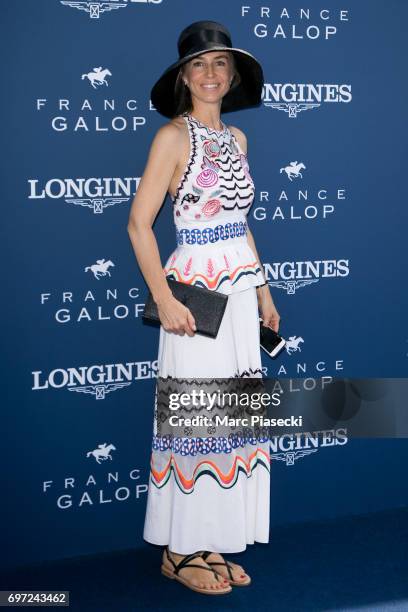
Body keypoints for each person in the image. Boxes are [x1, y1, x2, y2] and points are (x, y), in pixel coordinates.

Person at [127, 20, 280, 595]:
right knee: (196, 420)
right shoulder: (172, 137)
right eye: (200, 65)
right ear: (184, 76)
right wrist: (163, 299)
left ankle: (210, 537)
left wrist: (263, 290)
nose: (211, 74)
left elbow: (240, 226)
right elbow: (139, 225)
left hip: (239, 294)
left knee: (230, 419)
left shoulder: (238, 141)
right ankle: (180, 547)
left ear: (233, 75)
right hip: (195, 296)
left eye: (221, 64)